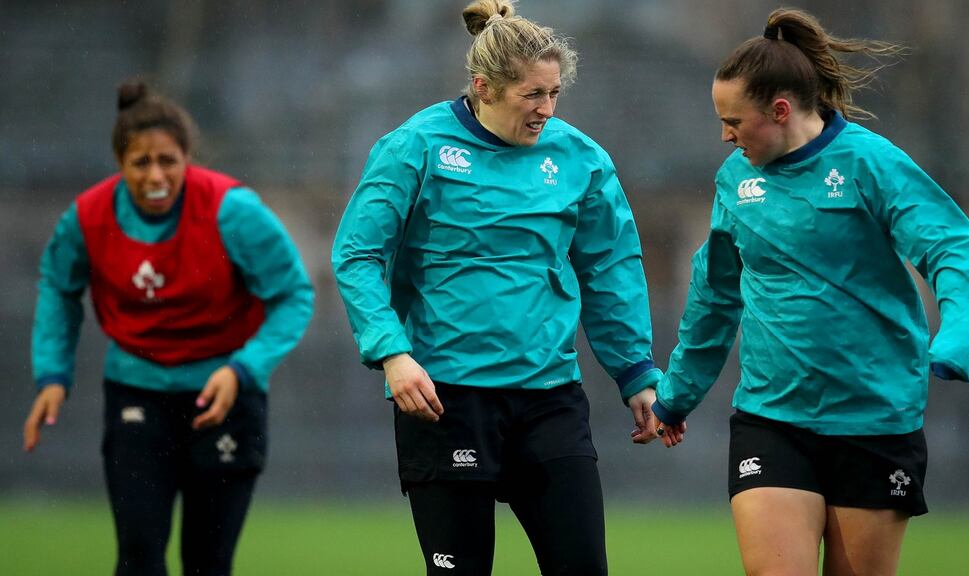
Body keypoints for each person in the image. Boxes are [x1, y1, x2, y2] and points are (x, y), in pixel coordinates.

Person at [640, 7, 969, 576]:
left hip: (875, 420)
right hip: (771, 418)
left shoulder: (869, 163)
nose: (725, 135)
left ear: (780, 110)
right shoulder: (735, 180)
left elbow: (951, 247)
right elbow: (714, 296)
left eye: (734, 120)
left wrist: (961, 334)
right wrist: (676, 395)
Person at [332, 1, 662, 573]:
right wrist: (392, 353)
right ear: (484, 88)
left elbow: (610, 267)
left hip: (549, 397)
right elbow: (358, 254)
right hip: (445, 397)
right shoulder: (415, 146)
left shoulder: (580, 157)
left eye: (554, 93)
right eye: (532, 94)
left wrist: (636, 372)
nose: (546, 109)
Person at [22, 80, 314, 576]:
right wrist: (53, 374)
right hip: (137, 393)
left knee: (207, 562)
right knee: (138, 557)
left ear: (187, 159)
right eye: (141, 163)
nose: (156, 175)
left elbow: (294, 294)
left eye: (168, 161)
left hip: (225, 395)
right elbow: (58, 285)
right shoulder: (88, 217)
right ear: (120, 163)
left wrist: (243, 369)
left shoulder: (232, 210)